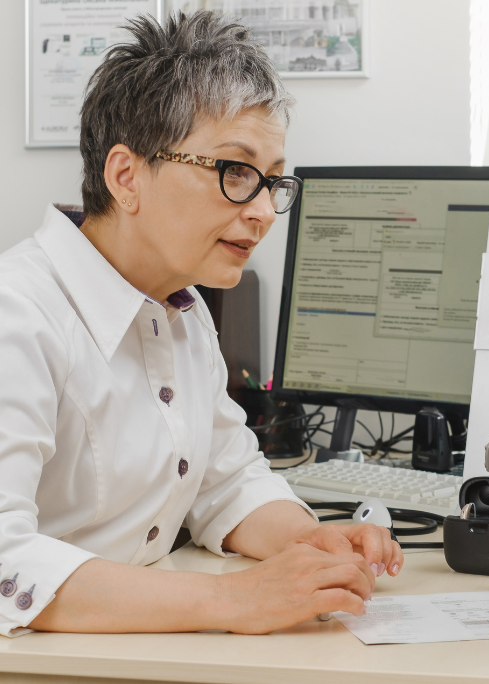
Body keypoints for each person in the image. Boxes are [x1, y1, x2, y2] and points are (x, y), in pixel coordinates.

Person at [0, 12, 401, 638]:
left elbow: (227, 480)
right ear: (126, 176)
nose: (265, 211)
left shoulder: (181, 311)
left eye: (272, 182)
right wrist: (232, 602)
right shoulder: (17, 314)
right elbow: (4, 562)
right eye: (235, 173)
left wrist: (310, 544)